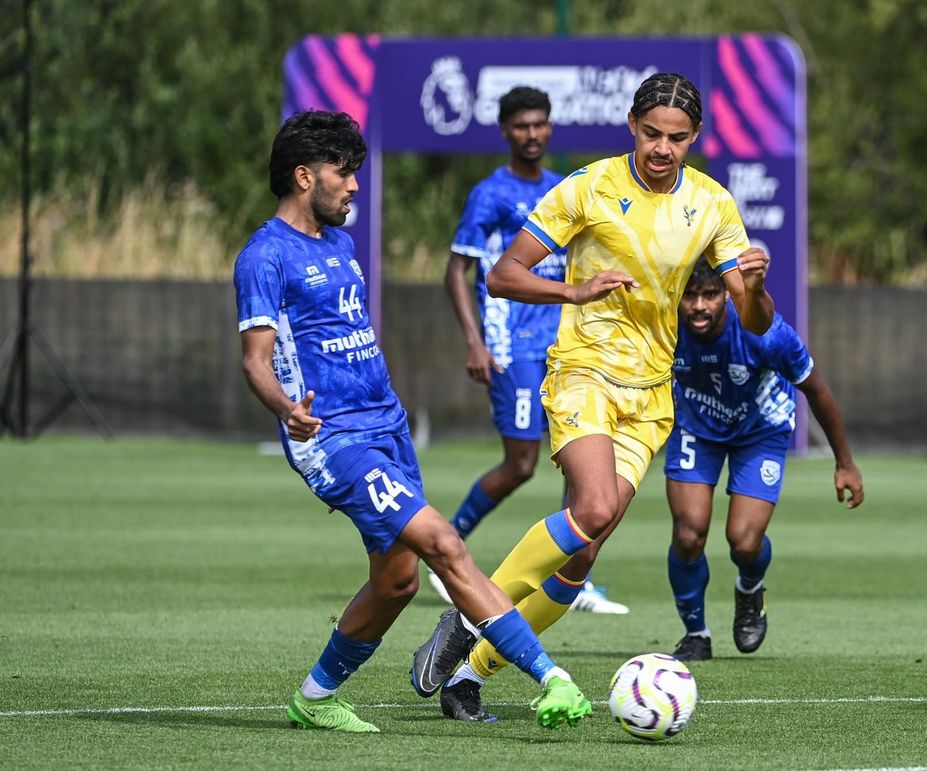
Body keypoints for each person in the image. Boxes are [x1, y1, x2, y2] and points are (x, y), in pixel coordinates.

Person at [410, 72, 774, 723]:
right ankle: (472, 612)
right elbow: (503, 273)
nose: (663, 148)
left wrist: (756, 284)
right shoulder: (588, 186)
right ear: (632, 126)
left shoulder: (714, 204)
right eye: (653, 133)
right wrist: (573, 293)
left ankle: (468, 674)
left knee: (582, 554)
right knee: (594, 506)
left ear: (695, 138)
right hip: (582, 373)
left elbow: (752, 320)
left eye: (678, 138)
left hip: (650, 396)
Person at [234, 110, 592, 732]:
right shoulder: (264, 257)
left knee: (397, 580)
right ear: (302, 175)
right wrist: (285, 409)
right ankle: (552, 679)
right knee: (444, 546)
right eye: (343, 173)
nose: (352, 186)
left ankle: (313, 700)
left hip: (387, 425)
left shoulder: (340, 245)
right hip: (335, 439)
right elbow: (255, 360)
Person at [437, 85, 628, 615]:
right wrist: (475, 340)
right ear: (505, 131)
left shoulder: (562, 189)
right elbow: (459, 270)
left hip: (565, 346)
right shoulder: (490, 195)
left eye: (540, 123)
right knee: (521, 463)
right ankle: (446, 545)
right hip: (510, 344)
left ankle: (574, 573)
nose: (532, 133)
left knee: (580, 462)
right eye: (521, 125)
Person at [666, 263, 864, 662]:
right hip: (696, 428)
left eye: (710, 295)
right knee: (689, 536)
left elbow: (817, 391)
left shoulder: (768, 335)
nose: (699, 307)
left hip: (760, 429)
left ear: (726, 294)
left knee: (744, 541)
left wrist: (845, 462)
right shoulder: (663, 327)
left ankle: (750, 588)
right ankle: (696, 634)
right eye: (690, 296)